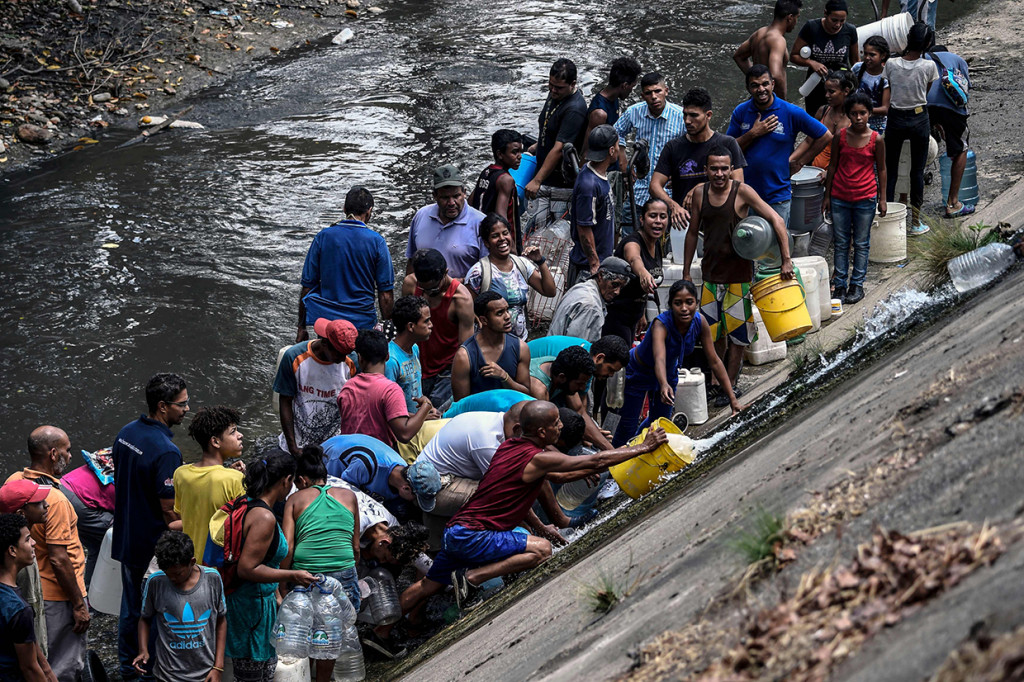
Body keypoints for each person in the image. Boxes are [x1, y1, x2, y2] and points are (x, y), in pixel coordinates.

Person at [399, 401, 667, 613]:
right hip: (472, 534)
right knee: (541, 550)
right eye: (556, 423)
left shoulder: (508, 447)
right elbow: (594, 462)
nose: (560, 426)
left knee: (428, 585)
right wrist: (644, 447)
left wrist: (542, 525)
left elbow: (561, 476)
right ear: (541, 432)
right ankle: (472, 578)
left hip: (458, 531)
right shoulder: (534, 458)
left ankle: (381, 630)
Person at [685, 147, 793, 403]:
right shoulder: (700, 193)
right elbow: (692, 233)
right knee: (713, 334)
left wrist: (786, 260)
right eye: (714, 169)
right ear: (706, 169)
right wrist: (687, 272)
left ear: (731, 168)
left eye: (725, 168)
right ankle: (716, 381)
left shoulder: (742, 192)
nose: (719, 174)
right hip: (710, 276)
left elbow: (776, 219)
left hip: (739, 278)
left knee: (739, 335)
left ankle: (729, 385)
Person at [112, 372, 187, 680]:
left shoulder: (126, 433)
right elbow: (170, 514)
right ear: (162, 406)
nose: (186, 409)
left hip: (126, 536)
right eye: (181, 404)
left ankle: (126, 669)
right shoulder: (167, 451)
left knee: (130, 609)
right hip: (151, 547)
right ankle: (148, 672)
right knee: (153, 614)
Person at [613, 280, 743, 445]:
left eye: (689, 302)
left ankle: (638, 447)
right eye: (678, 303)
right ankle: (613, 465)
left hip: (668, 372)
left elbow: (715, 361)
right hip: (638, 371)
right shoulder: (661, 324)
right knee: (627, 426)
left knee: (660, 423)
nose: (684, 308)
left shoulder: (700, 322)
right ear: (670, 305)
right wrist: (663, 384)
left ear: (696, 303)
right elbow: (659, 357)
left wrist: (733, 399)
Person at [5, 427, 87, 682]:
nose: (70, 456)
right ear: (53, 454)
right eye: (67, 450)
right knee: (63, 664)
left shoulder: (14, 481)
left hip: (29, 588)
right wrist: (78, 604)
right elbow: (59, 558)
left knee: (37, 655)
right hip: (59, 596)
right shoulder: (57, 500)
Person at [225, 453, 315, 682]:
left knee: (262, 673)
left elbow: (265, 561)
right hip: (250, 609)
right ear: (286, 481)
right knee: (253, 676)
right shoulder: (264, 517)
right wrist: (293, 574)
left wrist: (277, 595)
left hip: (260, 603)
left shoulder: (247, 503)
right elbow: (247, 568)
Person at [281, 447, 359, 681]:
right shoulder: (349, 495)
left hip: (307, 574)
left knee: (308, 631)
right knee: (332, 633)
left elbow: (288, 547)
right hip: (343, 571)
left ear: (302, 480)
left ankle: (308, 676)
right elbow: (355, 547)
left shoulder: (294, 499)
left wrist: (283, 583)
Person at [727, 65, 831, 229]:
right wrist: (753, 134)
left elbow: (825, 136)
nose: (761, 89)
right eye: (755, 85)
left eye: (765, 84)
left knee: (774, 245)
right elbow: (727, 150)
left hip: (777, 194)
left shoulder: (790, 112)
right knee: (747, 245)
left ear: (773, 84)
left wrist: (800, 162)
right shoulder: (741, 111)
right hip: (745, 193)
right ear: (748, 88)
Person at [415, 404, 526, 548]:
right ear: (517, 429)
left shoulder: (493, 419)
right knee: (501, 498)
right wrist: (538, 529)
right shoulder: (487, 442)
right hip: (433, 488)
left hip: (447, 477)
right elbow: (504, 490)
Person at [297, 186, 394, 338]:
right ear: (369, 212)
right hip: (362, 324)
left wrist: (301, 327)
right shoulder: (377, 242)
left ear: (344, 208)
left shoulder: (323, 237)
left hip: (328, 325)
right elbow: (386, 294)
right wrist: (389, 331)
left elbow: (307, 287)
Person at [134, 531, 226, 682]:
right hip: (167, 674)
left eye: (178, 574)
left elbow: (221, 621)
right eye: (167, 573)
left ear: (192, 561)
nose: (172, 578)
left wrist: (218, 667)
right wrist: (143, 650)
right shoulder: (155, 582)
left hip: (205, 673)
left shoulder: (212, 579)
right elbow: (145, 619)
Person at [824, 92, 888, 305]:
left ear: (869, 113)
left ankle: (857, 284)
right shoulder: (840, 137)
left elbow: (882, 170)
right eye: (854, 114)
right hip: (839, 197)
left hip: (865, 198)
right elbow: (832, 167)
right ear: (848, 115)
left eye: (862, 113)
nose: (859, 118)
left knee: (861, 243)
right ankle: (840, 284)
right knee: (841, 242)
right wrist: (827, 196)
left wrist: (883, 198)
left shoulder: (876, 139)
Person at [651, 88, 746, 231]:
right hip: (684, 222)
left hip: (719, 222)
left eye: (694, 116)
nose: (687, 121)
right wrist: (673, 206)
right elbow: (654, 185)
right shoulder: (673, 147)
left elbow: (738, 185)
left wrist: (702, 187)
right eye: (685, 115)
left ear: (708, 115)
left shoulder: (728, 143)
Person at [402, 249, 476, 407]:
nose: (429, 293)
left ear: (446, 273)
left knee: (435, 413)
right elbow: (403, 326)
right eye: (425, 289)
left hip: (446, 370)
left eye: (433, 289)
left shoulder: (461, 299)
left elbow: (465, 350)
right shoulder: (411, 284)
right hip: (415, 363)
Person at [884, 22, 939, 234]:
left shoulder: (891, 64)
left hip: (896, 118)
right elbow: (926, 91)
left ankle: (888, 217)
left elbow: (890, 85)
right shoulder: (928, 66)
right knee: (917, 171)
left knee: (890, 170)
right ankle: (916, 222)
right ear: (927, 43)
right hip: (918, 117)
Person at [337, 329, 435, 448]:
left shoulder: (348, 387)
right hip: (377, 458)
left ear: (360, 358)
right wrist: (426, 406)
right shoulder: (390, 390)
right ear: (387, 356)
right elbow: (404, 434)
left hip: (349, 453)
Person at [274, 317, 358, 457]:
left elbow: (354, 405)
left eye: (346, 354)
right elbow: (285, 401)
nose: (343, 359)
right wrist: (293, 447)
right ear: (325, 344)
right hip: (298, 444)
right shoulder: (294, 357)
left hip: (333, 446)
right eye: (339, 354)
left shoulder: (352, 361)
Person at [614, 72, 686, 232]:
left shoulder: (680, 116)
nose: (654, 96)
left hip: (667, 193)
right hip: (639, 189)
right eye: (648, 93)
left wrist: (681, 172)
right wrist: (623, 161)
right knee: (629, 235)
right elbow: (616, 132)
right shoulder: (635, 112)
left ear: (666, 91)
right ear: (642, 95)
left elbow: (692, 146)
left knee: (664, 242)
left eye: (657, 91)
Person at [464, 214, 556, 340]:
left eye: (505, 233)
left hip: (521, 342)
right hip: (491, 344)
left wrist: (540, 261)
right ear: (486, 243)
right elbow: (466, 309)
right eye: (495, 236)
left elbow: (549, 291)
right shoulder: (478, 272)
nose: (502, 239)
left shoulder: (521, 264)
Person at [175, 406, 245, 564]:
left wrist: (226, 471)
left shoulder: (181, 474)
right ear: (215, 441)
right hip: (217, 566)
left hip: (189, 562)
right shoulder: (234, 479)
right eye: (233, 432)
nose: (240, 436)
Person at [524, 58, 588, 229]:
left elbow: (559, 148)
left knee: (552, 238)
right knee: (534, 232)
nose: (553, 90)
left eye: (558, 87)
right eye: (550, 85)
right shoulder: (555, 94)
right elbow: (551, 125)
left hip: (559, 186)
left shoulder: (574, 109)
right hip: (544, 175)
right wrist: (539, 144)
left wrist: (537, 181)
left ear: (572, 84)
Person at [322, 434, 441, 516]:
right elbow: (342, 497)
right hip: (328, 462)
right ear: (406, 488)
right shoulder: (367, 465)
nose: (413, 501)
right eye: (415, 498)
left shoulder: (402, 472)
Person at [0, 513, 56, 682]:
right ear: (12, 550)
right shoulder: (18, 609)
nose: (34, 543)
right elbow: (30, 668)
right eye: (27, 539)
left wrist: (47, 670)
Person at [603, 198, 666, 345]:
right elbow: (634, 259)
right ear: (642, 219)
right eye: (652, 216)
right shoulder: (632, 242)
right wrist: (643, 272)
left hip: (633, 317)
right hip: (616, 317)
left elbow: (639, 289)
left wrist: (641, 313)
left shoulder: (656, 245)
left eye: (663, 216)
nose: (658, 221)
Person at [0, 480, 51, 662]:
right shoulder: (18, 559)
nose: (46, 505)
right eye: (38, 503)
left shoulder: (22, 547)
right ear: (21, 513)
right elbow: (28, 606)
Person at [407, 165, 487, 279]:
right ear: (435, 196)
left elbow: (489, 271)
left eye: (456, 196)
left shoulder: (480, 223)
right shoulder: (421, 216)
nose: (451, 203)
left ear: (464, 193)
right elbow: (411, 261)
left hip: (464, 294)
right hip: (425, 294)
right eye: (445, 197)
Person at [451, 293, 532, 401]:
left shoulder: (521, 348)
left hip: (511, 413)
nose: (507, 316)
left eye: (507, 310)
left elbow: (526, 394)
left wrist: (505, 377)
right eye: (499, 313)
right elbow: (461, 405)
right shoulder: (464, 356)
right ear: (484, 320)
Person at [567, 124, 620, 286]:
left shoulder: (596, 175)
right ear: (611, 151)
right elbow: (584, 228)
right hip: (587, 266)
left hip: (602, 260)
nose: (619, 150)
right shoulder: (589, 185)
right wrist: (595, 264)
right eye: (617, 146)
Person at [925, 45, 973, 218]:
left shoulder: (924, 57)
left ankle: (906, 199)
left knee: (918, 147)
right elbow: (966, 87)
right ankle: (953, 203)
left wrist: (938, 125)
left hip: (924, 106)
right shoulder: (957, 59)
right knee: (961, 149)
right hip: (952, 109)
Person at [791, 0, 859, 115]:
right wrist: (811, 63)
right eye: (834, 20)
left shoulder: (850, 30)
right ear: (825, 14)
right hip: (815, 84)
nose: (838, 25)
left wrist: (858, 85)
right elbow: (794, 56)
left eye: (842, 21)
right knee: (814, 121)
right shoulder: (811, 27)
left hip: (841, 87)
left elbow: (856, 62)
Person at [57, 452, 113, 587]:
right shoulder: (128, 485)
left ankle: (88, 588)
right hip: (80, 502)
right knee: (120, 534)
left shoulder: (113, 456)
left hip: (63, 487)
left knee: (97, 546)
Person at [548, 256, 631, 343]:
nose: (617, 292)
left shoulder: (580, 287)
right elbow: (577, 347)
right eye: (614, 285)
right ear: (600, 275)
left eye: (621, 287)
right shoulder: (591, 306)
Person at [733, 0, 803, 99]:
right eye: (797, 17)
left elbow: (739, 56)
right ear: (790, 18)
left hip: (758, 97)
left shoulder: (759, 33)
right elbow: (776, 75)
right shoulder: (778, 40)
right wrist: (782, 103)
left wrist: (755, 79)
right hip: (771, 102)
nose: (796, 22)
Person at [469, 130, 525, 252]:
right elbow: (501, 217)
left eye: (520, 151)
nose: (520, 156)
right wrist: (513, 248)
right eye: (514, 152)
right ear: (500, 154)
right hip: (499, 245)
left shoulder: (486, 172)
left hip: (482, 238)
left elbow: (470, 202)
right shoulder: (506, 180)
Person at [582, 57, 642, 163]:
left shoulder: (613, 98)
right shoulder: (600, 114)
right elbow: (587, 151)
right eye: (632, 87)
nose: (631, 91)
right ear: (624, 85)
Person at [792, 70, 855, 170]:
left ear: (846, 91)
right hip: (816, 170)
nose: (826, 95)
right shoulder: (822, 111)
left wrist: (830, 172)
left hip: (841, 173)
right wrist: (792, 160)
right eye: (826, 91)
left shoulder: (855, 118)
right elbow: (809, 141)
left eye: (831, 92)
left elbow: (853, 155)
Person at [385, 295, 431, 412]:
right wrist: (419, 417)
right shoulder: (391, 360)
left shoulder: (414, 348)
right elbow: (387, 408)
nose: (431, 325)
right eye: (426, 321)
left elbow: (415, 391)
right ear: (411, 326)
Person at [852, 36, 892, 134]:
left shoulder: (886, 76)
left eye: (872, 55)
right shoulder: (857, 68)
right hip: (855, 119)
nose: (867, 58)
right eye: (865, 54)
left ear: (883, 55)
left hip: (877, 124)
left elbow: (885, 109)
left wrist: (861, 110)